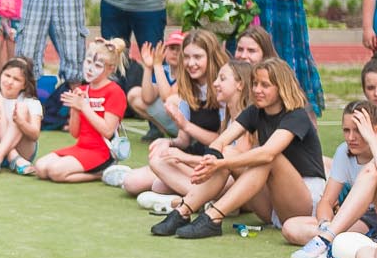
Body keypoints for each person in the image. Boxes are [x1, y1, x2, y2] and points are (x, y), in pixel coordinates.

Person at [152, 58, 324, 239]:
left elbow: (268, 153)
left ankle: (213, 216)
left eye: (265, 85)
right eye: (255, 84)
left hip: (304, 205)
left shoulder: (297, 115)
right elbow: (220, 142)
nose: (257, 90)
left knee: (269, 158)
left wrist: (219, 164)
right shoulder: (255, 111)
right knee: (226, 152)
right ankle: (184, 211)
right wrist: (210, 159)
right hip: (272, 205)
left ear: (281, 87)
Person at [282, 101, 377, 258]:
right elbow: (327, 201)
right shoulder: (343, 151)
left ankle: (326, 240)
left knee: (371, 171)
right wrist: (325, 223)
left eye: (358, 131)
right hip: (366, 219)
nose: (350, 137)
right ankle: (363, 243)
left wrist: (373, 141)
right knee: (291, 227)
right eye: (346, 130)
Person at [122, 29, 230, 203]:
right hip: (196, 156)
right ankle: (197, 197)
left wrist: (186, 127)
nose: (191, 63)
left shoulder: (222, 88)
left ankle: (203, 199)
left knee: (159, 183)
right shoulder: (188, 86)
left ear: (211, 57)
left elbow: (222, 142)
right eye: (186, 57)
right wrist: (168, 143)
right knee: (132, 182)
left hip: (218, 161)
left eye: (197, 57)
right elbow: (184, 140)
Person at [34, 38, 127, 183]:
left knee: (55, 172)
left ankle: (101, 173)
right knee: (40, 168)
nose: (90, 68)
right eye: (88, 62)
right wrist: (75, 109)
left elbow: (108, 131)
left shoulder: (115, 92)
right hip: (82, 147)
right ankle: (98, 173)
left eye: (97, 65)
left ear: (110, 68)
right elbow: (75, 133)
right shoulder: (82, 90)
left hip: (103, 151)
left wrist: (84, 106)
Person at [0, 56, 42, 176]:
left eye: (16, 79)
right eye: (7, 75)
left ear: (24, 85)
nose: (9, 82)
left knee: (21, 108)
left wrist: (21, 122)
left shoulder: (31, 102)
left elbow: (35, 135)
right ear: (1, 75)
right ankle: (13, 158)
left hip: (24, 153)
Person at [126, 32, 181, 140]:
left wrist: (157, 65)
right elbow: (147, 98)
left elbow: (168, 98)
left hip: (190, 119)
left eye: (179, 49)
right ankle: (169, 132)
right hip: (174, 118)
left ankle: (187, 137)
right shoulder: (164, 70)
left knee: (172, 100)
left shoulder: (189, 71)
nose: (175, 52)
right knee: (134, 95)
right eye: (172, 48)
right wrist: (148, 67)